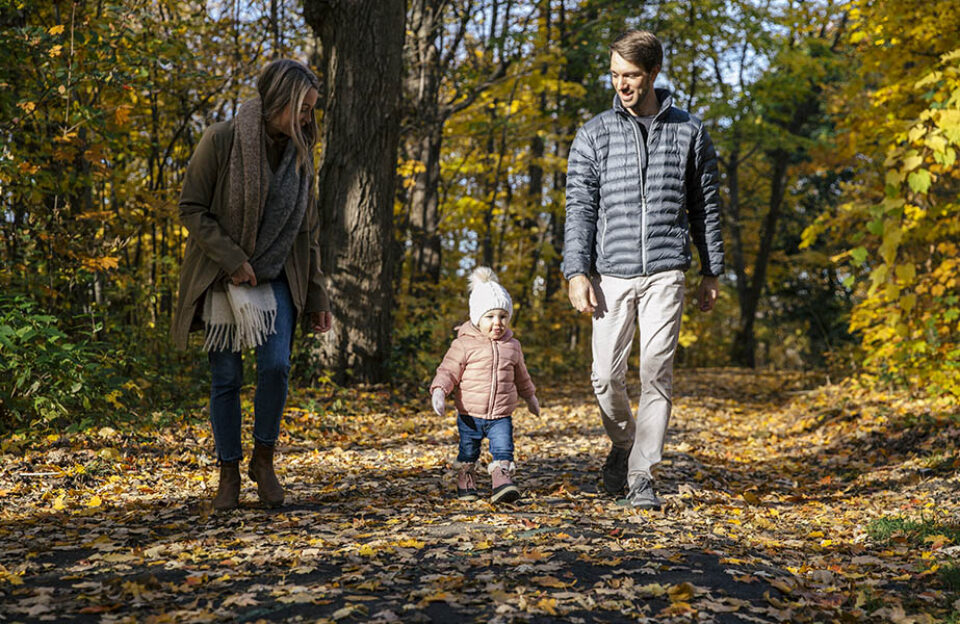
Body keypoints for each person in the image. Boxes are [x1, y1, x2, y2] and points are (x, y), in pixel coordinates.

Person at [562, 30, 724, 509]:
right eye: (614, 75)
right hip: (610, 273)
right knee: (604, 377)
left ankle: (641, 476)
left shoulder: (690, 131)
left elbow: (706, 206)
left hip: (666, 271)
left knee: (656, 372)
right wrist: (577, 271)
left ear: (654, 73)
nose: (621, 85)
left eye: (630, 76)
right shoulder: (593, 133)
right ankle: (624, 442)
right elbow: (579, 208)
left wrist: (710, 271)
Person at [172, 59, 333, 511]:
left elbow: (308, 232)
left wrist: (318, 295)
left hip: (279, 273)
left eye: (312, 110)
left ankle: (264, 460)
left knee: (276, 366)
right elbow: (191, 208)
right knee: (226, 376)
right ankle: (228, 472)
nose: (307, 118)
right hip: (220, 276)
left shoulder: (301, 155)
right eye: (303, 108)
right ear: (278, 99)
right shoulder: (221, 140)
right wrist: (233, 258)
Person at [430, 267, 541, 504]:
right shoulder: (464, 345)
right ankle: (466, 477)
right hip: (470, 413)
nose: (497, 323)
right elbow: (448, 371)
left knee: (504, 449)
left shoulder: (512, 346)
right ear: (476, 318)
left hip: (501, 414)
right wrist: (440, 391)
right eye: (490, 317)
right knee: (468, 451)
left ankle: (501, 480)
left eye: (502, 316)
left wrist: (530, 397)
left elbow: (522, 376)